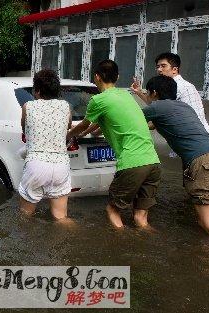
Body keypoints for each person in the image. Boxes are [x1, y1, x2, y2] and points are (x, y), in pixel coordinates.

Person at [142, 75, 209, 245]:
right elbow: (153, 125)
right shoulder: (184, 107)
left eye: (147, 93)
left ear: (154, 93)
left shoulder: (157, 106)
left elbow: (131, 121)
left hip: (205, 164)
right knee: (203, 222)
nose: (147, 97)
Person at [67, 60, 161, 229]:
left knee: (112, 209)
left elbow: (83, 124)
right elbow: (102, 120)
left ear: (96, 77)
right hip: (153, 162)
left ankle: (120, 244)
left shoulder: (98, 100)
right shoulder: (126, 95)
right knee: (141, 218)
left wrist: (68, 135)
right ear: (117, 77)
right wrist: (92, 132)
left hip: (132, 163)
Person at [19, 69, 72, 221]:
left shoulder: (27, 106)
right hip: (61, 166)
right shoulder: (65, 106)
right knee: (61, 218)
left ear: (37, 90)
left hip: (36, 165)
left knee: (25, 217)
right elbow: (67, 127)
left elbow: (25, 129)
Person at [131, 52, 209, 135]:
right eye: (158, 67)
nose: (159, 69)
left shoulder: (182, 86)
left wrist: (139, 126)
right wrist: (139, 92)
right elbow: (159, 106)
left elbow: (163, 110)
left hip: (195, 135)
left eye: (163, 66)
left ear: (174, 69)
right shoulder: (168, 85)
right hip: (189, 136)